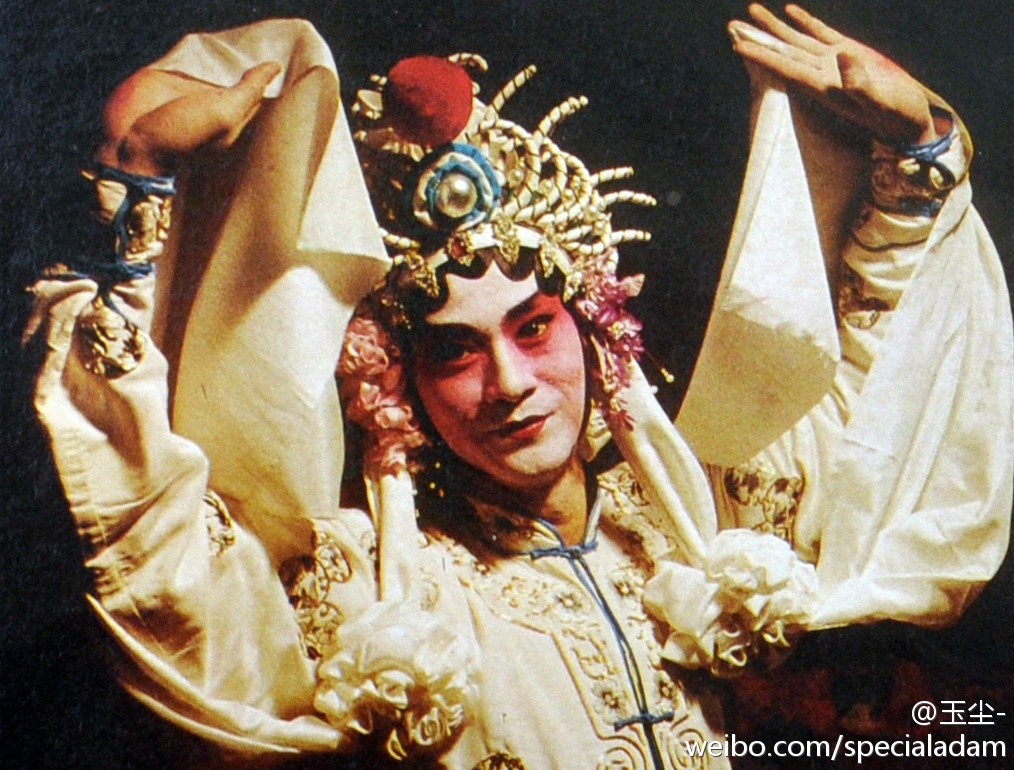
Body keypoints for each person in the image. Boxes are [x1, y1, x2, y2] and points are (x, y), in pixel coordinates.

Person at [23, 4, 1012, 769]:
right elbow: (160, 562)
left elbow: (884, 401)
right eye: (454, 351)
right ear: (396, 386)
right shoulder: (372, 592)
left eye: (535, 328)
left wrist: (918, 155)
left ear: (598, 335)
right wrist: (134, 190)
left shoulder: (706, 523)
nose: (508, 383)